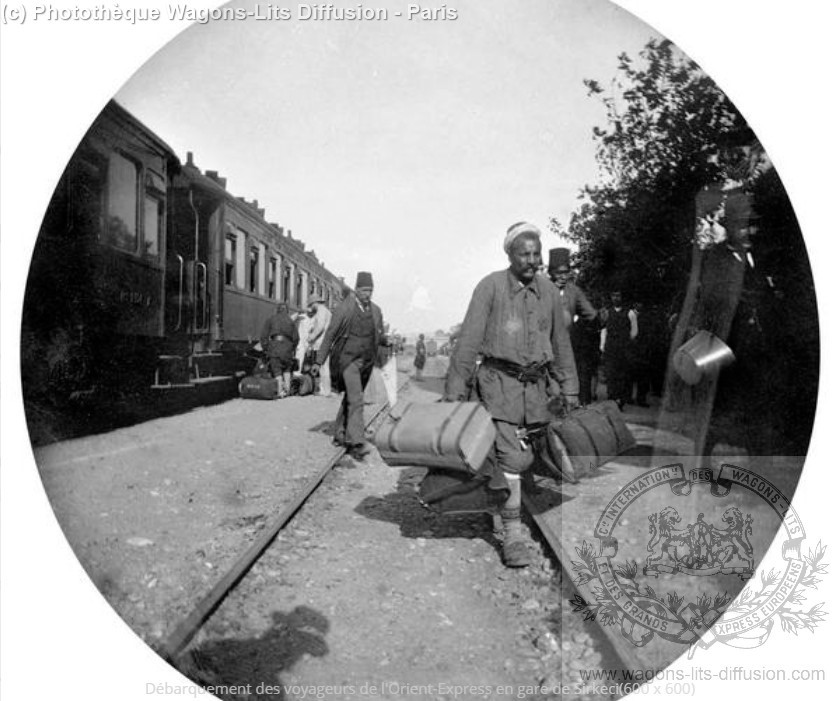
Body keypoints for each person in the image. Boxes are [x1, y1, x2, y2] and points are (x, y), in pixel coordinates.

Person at [444, 222, 579, 567]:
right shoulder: (489, 288)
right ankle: (513, 532)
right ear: (509, 254)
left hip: (536, 389)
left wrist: (570, 388)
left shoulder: (548, 291)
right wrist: (454, 392)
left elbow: (562, 346)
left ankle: (504, 501)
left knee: (529, 454)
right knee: (512, 458)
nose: (533, 261)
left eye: (537, 254)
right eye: (525, 254)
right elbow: (469, 341)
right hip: (498, 385)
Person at [312, 272, 389, 460]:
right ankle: (357, 441)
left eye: (370, 290)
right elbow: (330, 334)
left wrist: (386, 342)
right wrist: (318, 361)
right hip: (347, 361)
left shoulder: (376, 311)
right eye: (364, 290)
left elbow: (378, 336)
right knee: (357, 399)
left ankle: (339, 434)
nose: (367, 294)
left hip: (366, 362)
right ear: (356, 290)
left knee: (351, 397)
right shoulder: (345, 309)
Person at [547, 247, 598, 405]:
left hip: (566, 346)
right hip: (544, 347)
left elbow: (591, 314)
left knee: (567, 389)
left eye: (566, 272)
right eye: (558, 273)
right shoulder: (542, 289)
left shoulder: (574, 291)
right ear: (551, 272)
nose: (563, 277)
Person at [600, 291, 637, 408]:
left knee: (622, 374)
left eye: (618, 296)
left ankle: (620, 400)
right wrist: (602, 346)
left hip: (623, 348)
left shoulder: (630, 313)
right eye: (614, 295)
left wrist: (625, 340)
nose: (616, 298)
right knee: (611, 374)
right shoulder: (607, 312)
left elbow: (634, 331)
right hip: (610, 348)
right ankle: (611, 399)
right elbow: (604, 330)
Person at [260, 302, 299, 397]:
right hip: (288, 347)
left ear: (277, 310)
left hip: (275, 346)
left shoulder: (271, 319)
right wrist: (292, 348)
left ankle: (280, 391)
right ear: (287, 311)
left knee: (276, 368)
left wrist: (266, 348)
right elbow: (296, 338)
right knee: (287, 368)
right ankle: (288, 390)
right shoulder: (291, 321)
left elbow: (264, 336)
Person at [307, 297, 333, 396]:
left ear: (315, 303)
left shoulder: (321, 311)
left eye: (311, 305)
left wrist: (311, 337)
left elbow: (321, 326)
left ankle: (325, 391)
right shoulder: (326, 311)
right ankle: (325, 389)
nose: (310, 307)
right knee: (324, 366)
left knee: (323, 366)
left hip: (322, 342)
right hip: (326, 341)